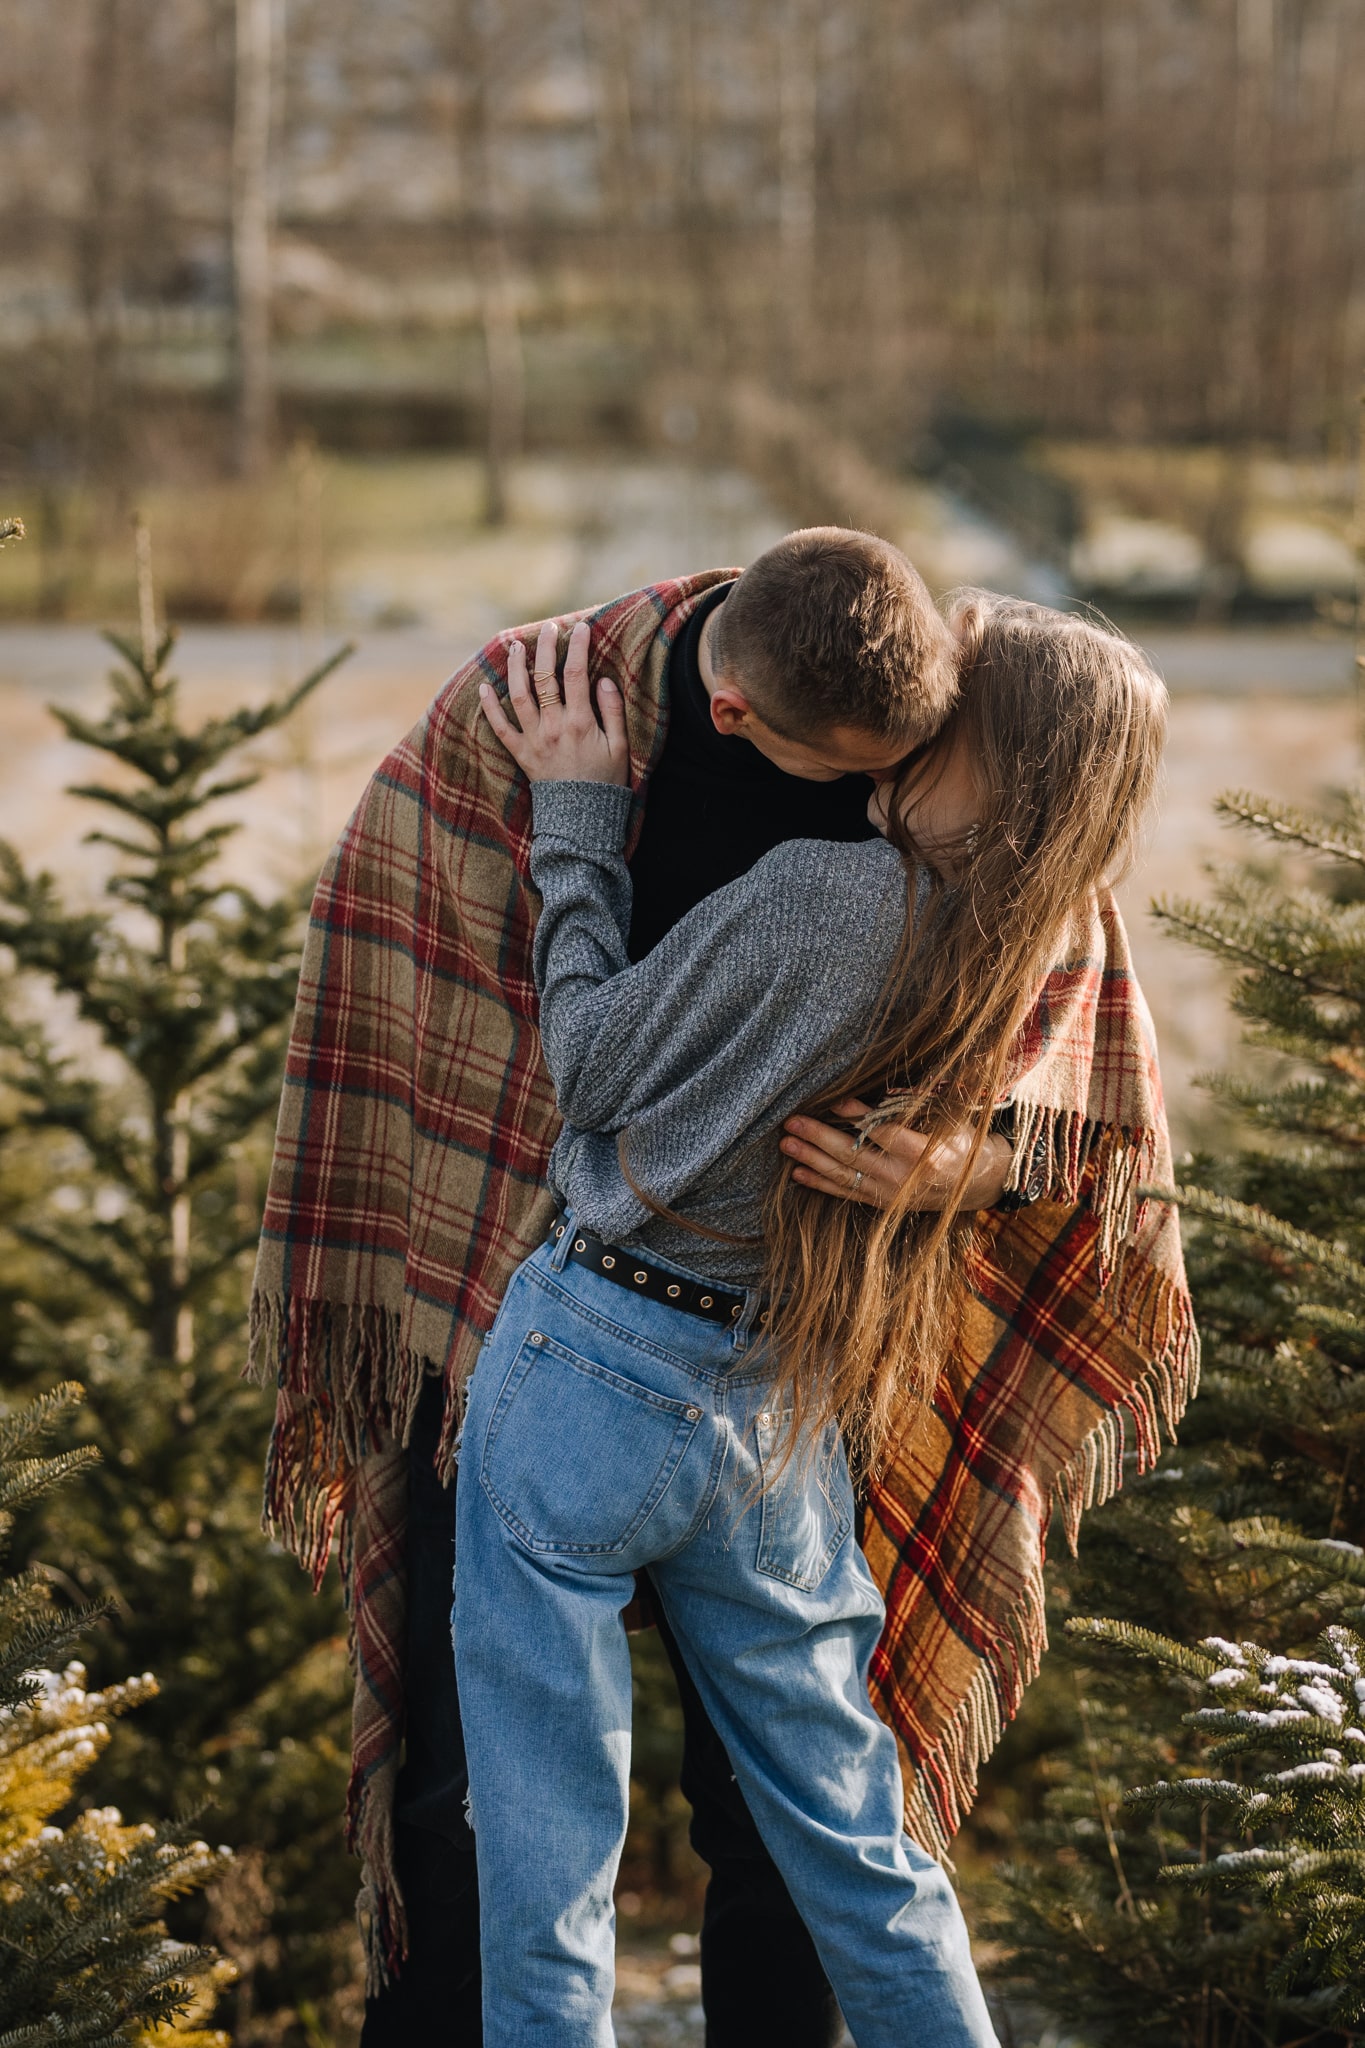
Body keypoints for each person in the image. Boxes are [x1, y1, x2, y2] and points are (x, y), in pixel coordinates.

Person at [251, 530, 979, 2041]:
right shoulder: (525, 707)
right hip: (575, 1322)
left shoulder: (929, 754)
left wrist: (970, 1160)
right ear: (736, 717)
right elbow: (398, 967)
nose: (882, 805)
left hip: (712, 1356)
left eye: (899, 774)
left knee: (593, 1851)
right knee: (768, 1827)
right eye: (850, 773)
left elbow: (1052, 1034)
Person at [451, 589, 1173, 2046]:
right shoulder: (1018, 963)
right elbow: (1105, 1149)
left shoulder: (817, 892)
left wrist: (579, 825)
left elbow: (590, 1068)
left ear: (996, 753)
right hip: (780, 1408)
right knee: (858, 1847)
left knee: (548, 1859)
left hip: (597, 1358)